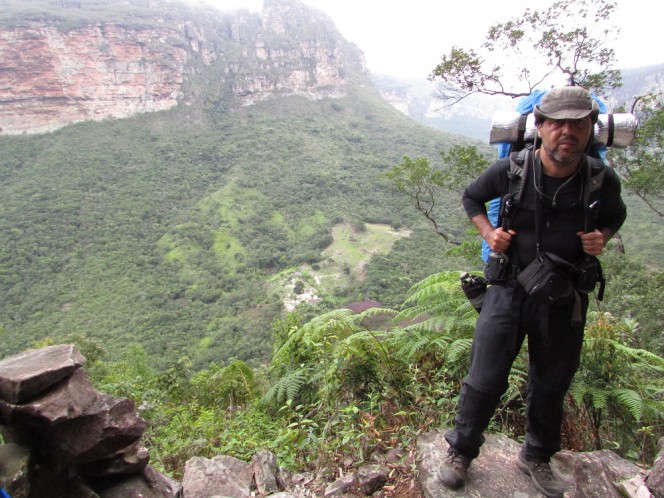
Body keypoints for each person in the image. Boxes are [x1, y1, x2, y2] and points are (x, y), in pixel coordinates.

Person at [438, 86, 627, 498]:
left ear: (591, 129)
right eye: (557, 123)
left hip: (565, 295)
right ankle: (461, 451)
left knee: (551, 382)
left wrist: (602, 237)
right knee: (484, 377)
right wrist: (489, 233)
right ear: (539, 127)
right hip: (508, 287)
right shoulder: (513, 170)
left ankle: (537, 456)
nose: (567, 132)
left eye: (578, 124)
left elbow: (617, 214)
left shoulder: (599, 178)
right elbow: (472, 197)